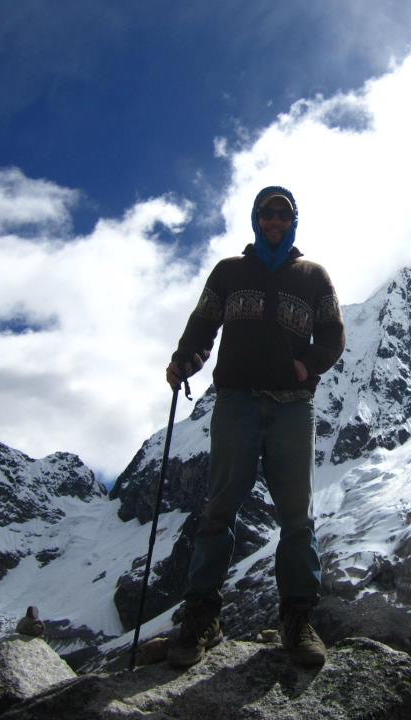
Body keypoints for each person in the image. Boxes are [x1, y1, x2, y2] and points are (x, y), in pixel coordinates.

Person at [165, 185, 345, 669]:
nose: (273, 221)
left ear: (293, 220)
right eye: (266, 213)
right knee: (220, 509)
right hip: (236, 402)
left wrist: (308, 365)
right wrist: (187, 359)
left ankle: (297, 620)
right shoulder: (229, 272)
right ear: (255, 218)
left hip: (292, 407)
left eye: (282, 214)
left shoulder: (313, 276)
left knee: (296, 517)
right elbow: (203, 326)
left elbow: (333, 333)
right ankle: (202, 617)